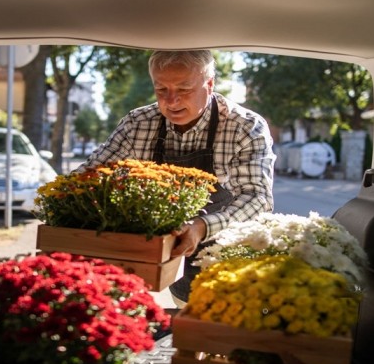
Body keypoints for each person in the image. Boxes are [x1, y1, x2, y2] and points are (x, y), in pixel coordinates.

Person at [79, 50, 275, 305]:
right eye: (161, 89)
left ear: (210, 84)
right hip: (166, 253)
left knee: (221, 332)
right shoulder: (138, 123)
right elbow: (89, 176)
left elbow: (257, 198)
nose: (171, 101)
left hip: (227, 256)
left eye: (184, 89)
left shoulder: (245, 127)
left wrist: (200, 227)